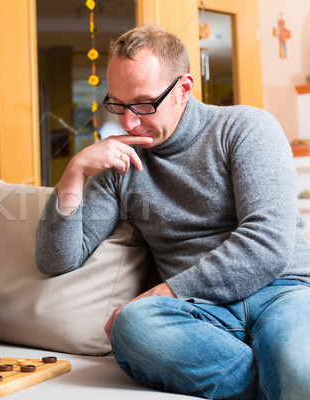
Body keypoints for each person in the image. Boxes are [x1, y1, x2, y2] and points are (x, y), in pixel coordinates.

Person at [36, 24, 310, 399]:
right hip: (201, 314)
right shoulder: (121, 162)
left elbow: (267, 243)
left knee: (297, 365)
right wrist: (74, 173)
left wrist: (165, 292)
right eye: (118, 104)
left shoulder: (245, 128)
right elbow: (57, 259)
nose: (129, 122)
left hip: (281, 292)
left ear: (184, 89)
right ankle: (275, 384)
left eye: (145, 104)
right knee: (131, 326)